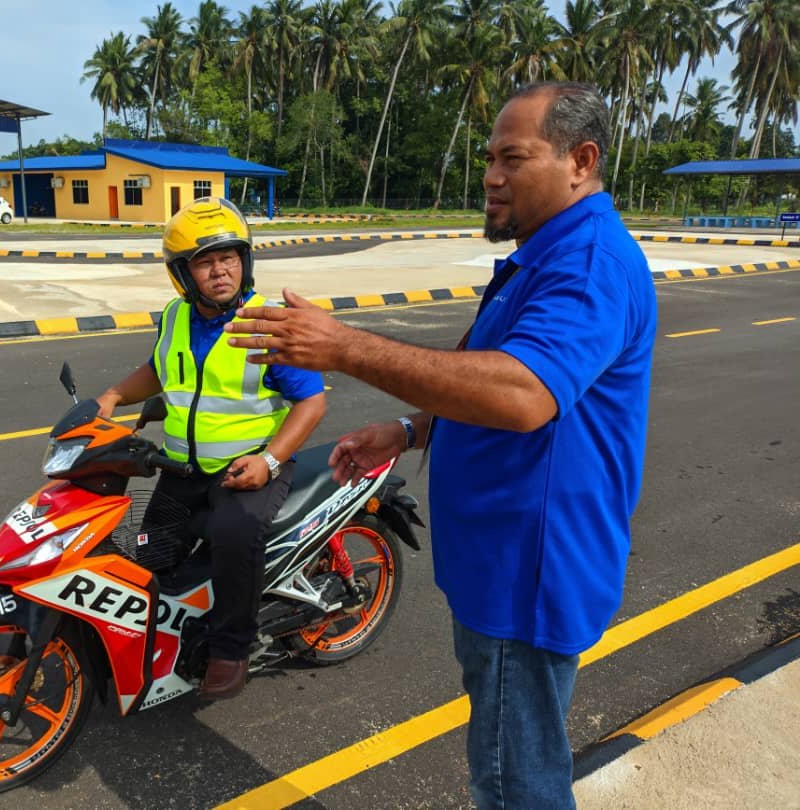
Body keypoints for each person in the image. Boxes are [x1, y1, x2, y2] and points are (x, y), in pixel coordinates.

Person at [223, 82, 657, 807]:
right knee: (506, 762)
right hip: (499, 564)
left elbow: (524, 393)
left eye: (514, 158)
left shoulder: (586, 266)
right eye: (489, 158)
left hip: (526, 575)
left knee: (515, 784)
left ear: (580, 161)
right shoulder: (544, 257)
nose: (491, 176)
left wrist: (342, 346)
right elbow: (484, 384)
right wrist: (406, 430)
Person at [95, 197, 326, 700]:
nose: (220, 271)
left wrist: (269, 461)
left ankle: (231, 648)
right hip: (182, 470)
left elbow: (311, 401)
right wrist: (112, 396)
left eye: (229, 257)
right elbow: (159, 369)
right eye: (205, 262)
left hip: (249, 468)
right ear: (182, 273)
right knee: (148, 554)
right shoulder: (175, 318)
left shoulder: (267, 323)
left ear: (245, 260)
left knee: (234, 536)